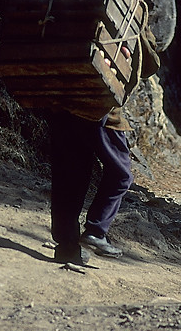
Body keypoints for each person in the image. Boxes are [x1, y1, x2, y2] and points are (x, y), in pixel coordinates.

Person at [48, 104, 134, 265]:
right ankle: (96, 232)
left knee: (70, 175)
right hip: (100, 109)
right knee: (121, 175)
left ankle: (67, 248)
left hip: (62, 109)